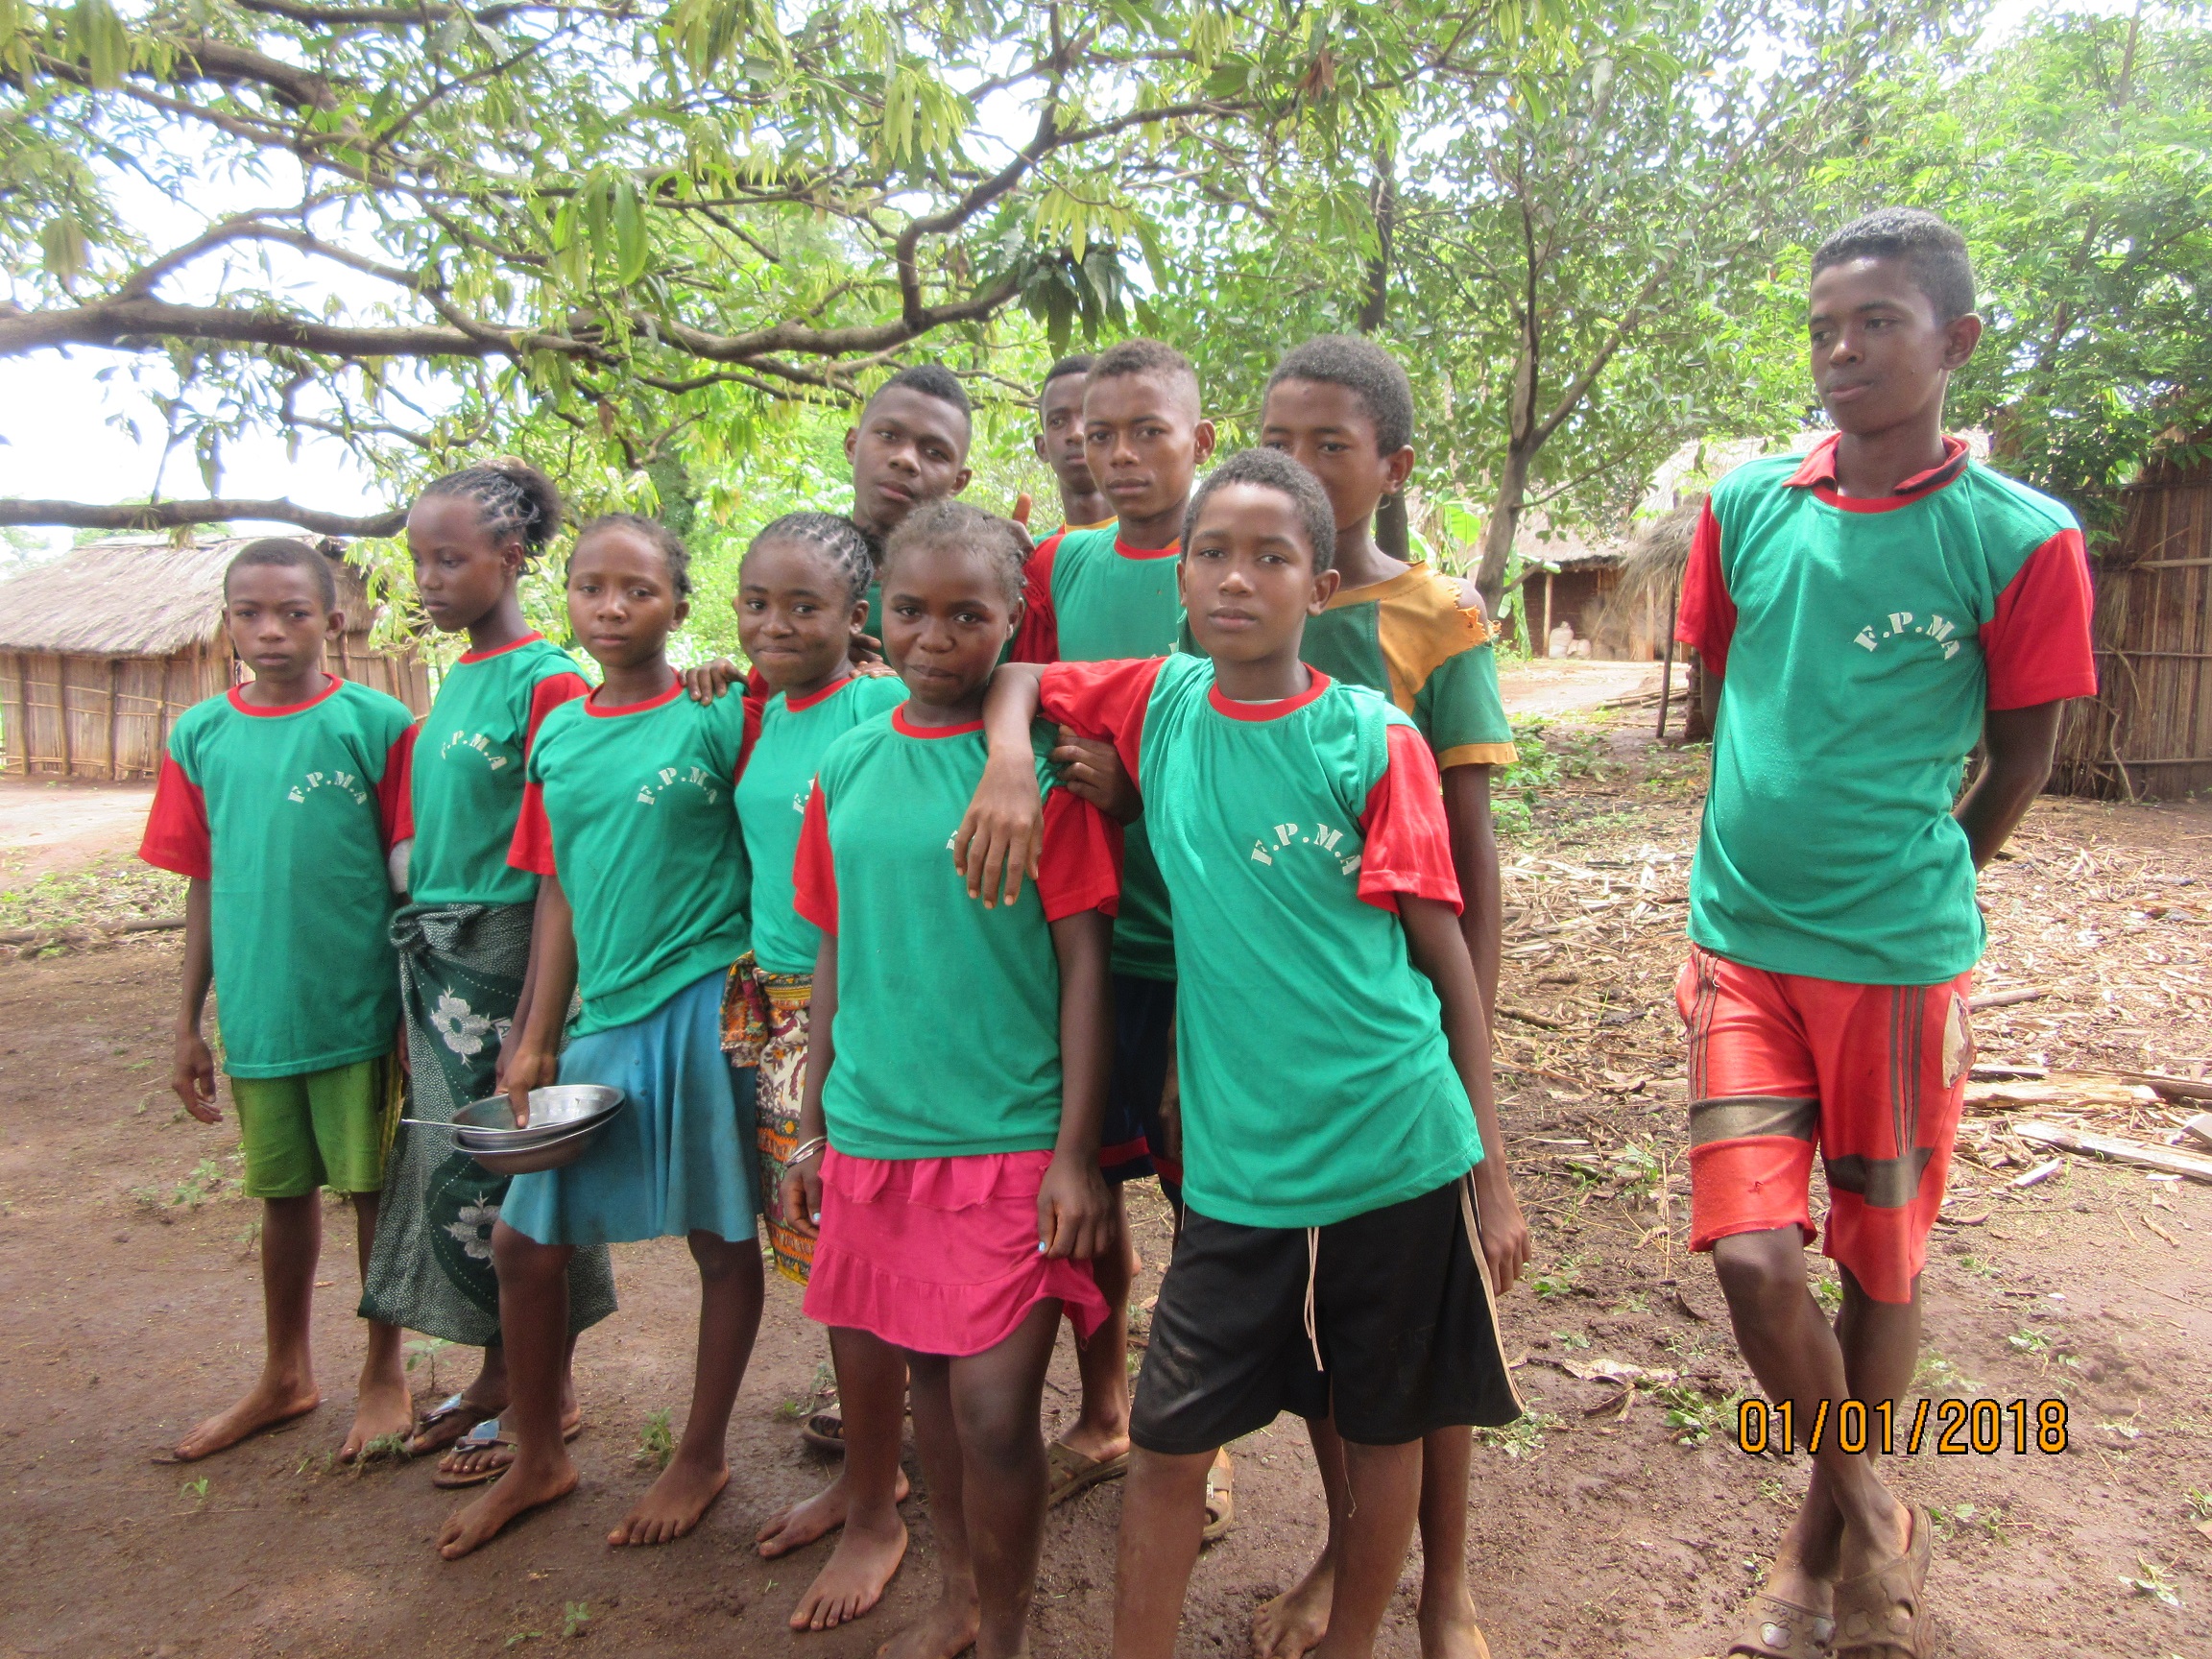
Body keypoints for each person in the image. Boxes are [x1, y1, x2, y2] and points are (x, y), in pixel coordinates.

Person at [956, 448, 1532, 1659]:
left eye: (1271, 558)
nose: (1235, 578)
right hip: (1238, 1167)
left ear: (1317, 589)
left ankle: (1353, 1641)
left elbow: (1442, 961)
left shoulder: (1371, 739)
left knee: (1383, 1429)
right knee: (1171, 1438)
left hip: (1393, 1141)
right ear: (1180, 576)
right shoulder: (1159, 702)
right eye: (1212, 553)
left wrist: (1491, 1175)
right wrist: (1011, 760)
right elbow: (1018, 676)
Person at [1673, 208, 2096, 1659]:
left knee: (1878, 1266)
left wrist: (1922, 888)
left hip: (1900, 970)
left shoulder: (2021, 539)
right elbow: (1729, 690)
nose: (1841, 351)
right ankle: (1877, 1509)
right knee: (1751, 1258)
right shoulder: (1746, 508)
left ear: (1955, 341)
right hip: (1741, 947)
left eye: (1877, 324)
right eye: (1823, 328)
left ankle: (1814, 1563)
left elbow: (2022, 759)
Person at [783, 498, 1119, 1659]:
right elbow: (834, 950)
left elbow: (1085, 967)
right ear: (875, 610)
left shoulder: (1043, 777)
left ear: (1012, 618)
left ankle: (1008, 1631)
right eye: (911, 611)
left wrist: (1075, 1154)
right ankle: (959, 1596)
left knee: (994, 1410)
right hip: (878, 1132)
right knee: (929, 1385)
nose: (935, 637)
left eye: (967, 615)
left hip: (1009, 1138)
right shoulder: (847, 761)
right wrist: (813, 1125)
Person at [1247, 335, 1520, 1659]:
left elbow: (1471, 853)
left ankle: (1445, 1584)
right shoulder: (1240, 599)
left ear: (1392, 468)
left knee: (1424, 1329)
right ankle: (1346, 1547)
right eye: (1276, 441)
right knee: (1327, 1319)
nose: (1299, 466)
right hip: (1285, 1023)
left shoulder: (1438, 616)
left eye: (1331, 446)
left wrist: (1473, 1066)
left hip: (1403, 1024)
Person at [435, 514, 765, 1559]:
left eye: (638, 590)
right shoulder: (560, 734)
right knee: (523, 1244)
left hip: (706, 999)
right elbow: (560, 891)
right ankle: (539, 1453)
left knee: (722, 1240)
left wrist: (740, 679)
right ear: (566, 596)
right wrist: (535, 1033)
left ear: (679, 603)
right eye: (591, 587)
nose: (611, 608)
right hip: (606, 1014)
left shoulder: (720, 715)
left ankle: (701, 1454)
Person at [356, 459, 620, 1487]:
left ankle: (548, 1388)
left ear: (510, 558)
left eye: (448, 559)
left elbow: (559, 860)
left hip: (511, 961)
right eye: (419, 560)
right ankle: (499, 1373)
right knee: (461, 1175)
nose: (426, 579)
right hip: (442, 964)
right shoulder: (456, 677)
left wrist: (541, 1018)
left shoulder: (547, 680)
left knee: (519, 1175)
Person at [138, 538, 417, 1464]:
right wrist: (187, 1022)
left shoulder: (376, 725)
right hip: (258, 1012)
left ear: (331, 621)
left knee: (370, 1190)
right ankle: (285, 1372)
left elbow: (408, 876)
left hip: (357, 1005)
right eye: (250, 614)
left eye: (294, 613)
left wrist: (410, 1008)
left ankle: (385, 1369)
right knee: (282, 1193)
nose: (271, 631)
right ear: (227, 623)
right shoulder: (199, 736)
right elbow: (203, 881)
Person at [1006, 337, 1220, 1524]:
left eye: (1148, 431)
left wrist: (1138, 785)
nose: (1121, 454)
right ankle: (1105, 1409)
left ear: (1200, 439)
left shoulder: (1229, 559)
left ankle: (1207, 1441)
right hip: (1086, 937)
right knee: (1086, 1182)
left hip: (1201, 945)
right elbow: (1024, 690)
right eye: (1100, 434)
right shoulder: (1064, 563)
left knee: (1206, 1199)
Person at [724, 513, 914, 1632]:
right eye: (757, 603)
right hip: (778, 1010)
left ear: (857, 616)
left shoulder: (874, 708)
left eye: (804, 606)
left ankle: (877, 1510)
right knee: (827, 1263)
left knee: (853, 1261)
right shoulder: (767, 712)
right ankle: (868, 1476)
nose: (776, 624)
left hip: (849, 1007)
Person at [1021, 351, 1114, 543]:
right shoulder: (1032, 553)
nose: (1076, 433)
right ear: (1042, 447)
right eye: (1058, 421)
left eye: (1090, 416)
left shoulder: (1169, 543)